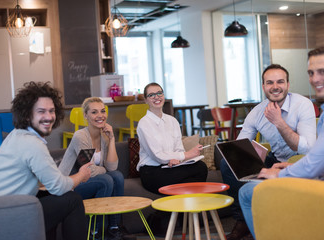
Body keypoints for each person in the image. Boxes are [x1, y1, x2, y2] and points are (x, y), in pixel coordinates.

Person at [0, 81, 91, 240]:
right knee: (72, 200)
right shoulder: (32, 143)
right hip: (4, 216)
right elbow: (58, 186)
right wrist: (81, 175)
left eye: (52, 111)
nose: (48, 117)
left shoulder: (17, 134)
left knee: (51, 198)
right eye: (41, 111)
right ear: (27, 114)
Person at [221, 64, 317, 240]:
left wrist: (279, 122)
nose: (275, 86)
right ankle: (243, 221)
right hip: (275, 160)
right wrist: (245, 154)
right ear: (264, 86)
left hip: (301, 161)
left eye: (280, 81)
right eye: (270, 82)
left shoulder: (303, 105)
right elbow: (240, 146)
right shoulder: (257, 112)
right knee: (228, 163)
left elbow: (306, 148)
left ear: (288, 84)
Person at [59, 97, 125, 240]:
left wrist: (112, 139)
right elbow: (88, 170)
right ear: (86, 116)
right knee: (106, 180)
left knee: (117, 176)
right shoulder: (80, 136)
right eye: (94, 112)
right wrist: (104, 169)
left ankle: (114, 228)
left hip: (88, 181)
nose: (100, 115)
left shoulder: (104, 137)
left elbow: (112, 167)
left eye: (102, 111)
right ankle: (94, 231)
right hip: (71, 184)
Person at [136, 83, 208, 194]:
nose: (157, 97)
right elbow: (157, 155)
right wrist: (187, 155)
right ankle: (176, 210)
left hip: (171, 167)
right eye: (151, 95)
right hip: (152, 171)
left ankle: (173, 210)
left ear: (163, 95)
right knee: (192, 176)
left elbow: (178, 148)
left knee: (201, 167)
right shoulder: (144, 123)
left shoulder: (172, 121)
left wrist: (177, 160)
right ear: (146, 100)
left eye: (159, 93)